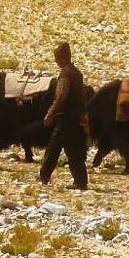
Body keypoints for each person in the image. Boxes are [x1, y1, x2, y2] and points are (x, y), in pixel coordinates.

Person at [40, 42, 88, 190]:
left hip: (65, 117)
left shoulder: (65, 73)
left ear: (60, 57)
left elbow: (61, 96)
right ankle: (81, 181)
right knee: (73, 150)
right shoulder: (77, 72)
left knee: (53, 147)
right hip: (75, 117)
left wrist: (50, 113)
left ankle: (44, 176)